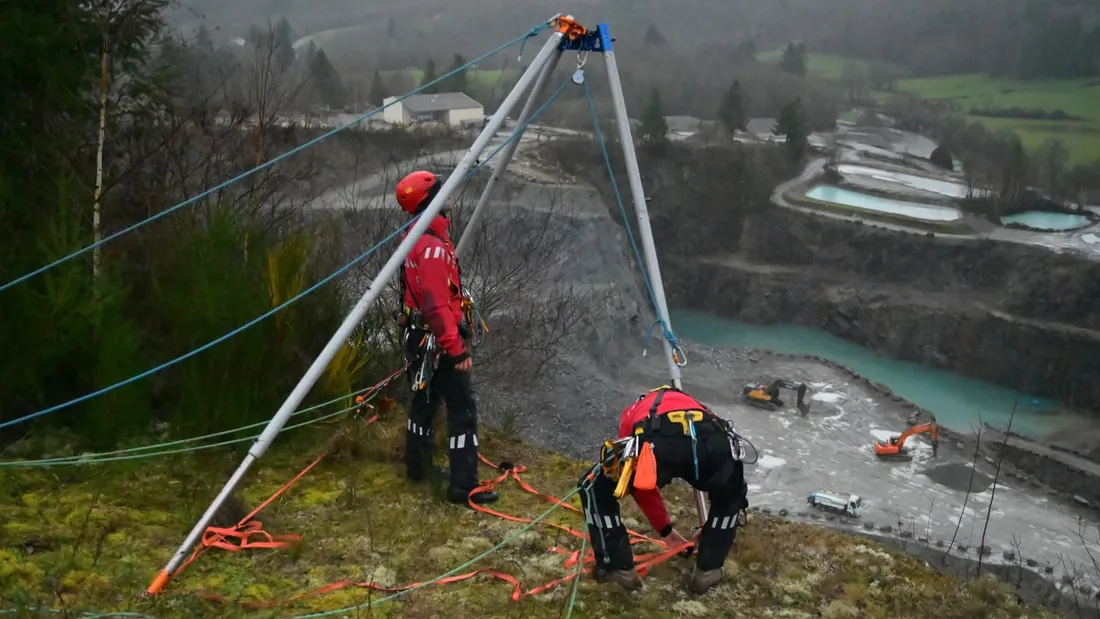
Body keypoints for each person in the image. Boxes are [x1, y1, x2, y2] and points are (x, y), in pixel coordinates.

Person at [578, 385, 749, 594]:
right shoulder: (696, 406)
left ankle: (616, 567)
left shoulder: (634, 410)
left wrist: (665, 529)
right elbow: (727, 486)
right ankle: (709, 569)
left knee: (593, 487)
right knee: (730, 493)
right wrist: (709, 530)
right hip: (711, 441)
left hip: (655, 441)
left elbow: (638, 484)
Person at [395, 170, 498, 506]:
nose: (448, 198)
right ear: (432, 201)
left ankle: (418, 467)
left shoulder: (413, 237)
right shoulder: (433, 248)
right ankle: (464, 485)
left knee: (424, 402)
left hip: (418, 335)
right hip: (435, 339)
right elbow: (437, 305)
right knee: (462, 408)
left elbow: (414, 293)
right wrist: (456, 350)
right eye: (442, 193)